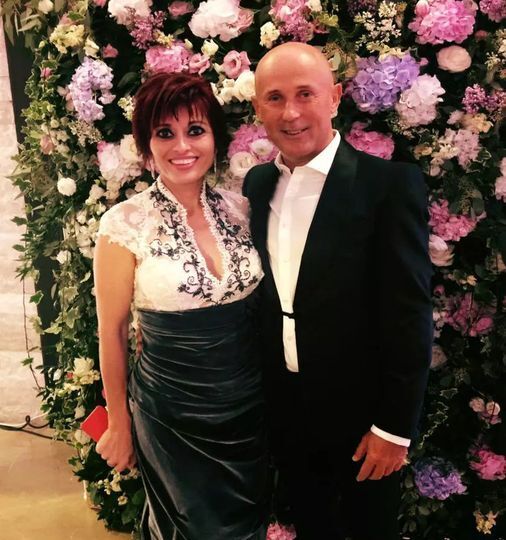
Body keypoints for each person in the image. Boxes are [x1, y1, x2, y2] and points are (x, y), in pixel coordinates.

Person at [243, 42, 433, 540]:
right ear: (258, 108)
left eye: (305, 94)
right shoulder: (257, 186)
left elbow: (410, 314)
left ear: (335, 97)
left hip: (364, 420)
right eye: (275, 98)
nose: (291, 112)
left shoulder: (387, 185)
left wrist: (394, 428)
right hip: (286, 411)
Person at [93, 72, 269, 540]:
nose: (182, 146)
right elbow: (112, 332)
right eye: (164, 133)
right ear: (146, 146)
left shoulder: (242, 211)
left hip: (249, 408)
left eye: (195, 130)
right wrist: (118, 422)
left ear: (214, 138)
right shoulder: (123, 225)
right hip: (171, 414)